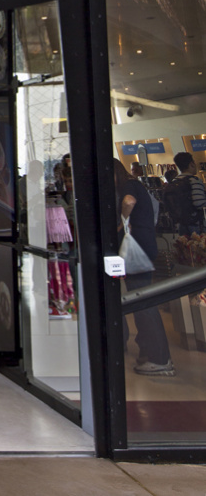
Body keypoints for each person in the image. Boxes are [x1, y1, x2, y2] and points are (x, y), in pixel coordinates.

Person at [115, 157, 174, 377]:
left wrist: (121, 222)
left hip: (136, 251)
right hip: (143, 248)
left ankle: (160, 358)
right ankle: (148, 351)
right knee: (140, 300)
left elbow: (129, 201)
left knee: (143, 302)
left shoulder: (128, 186)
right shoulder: (137, 185)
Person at [162, 151, 206, 236]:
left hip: (181, 224)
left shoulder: (174, 181)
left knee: (185, 247)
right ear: (191, 164)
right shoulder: (194, 180)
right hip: (195, 223)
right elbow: (199, 203)